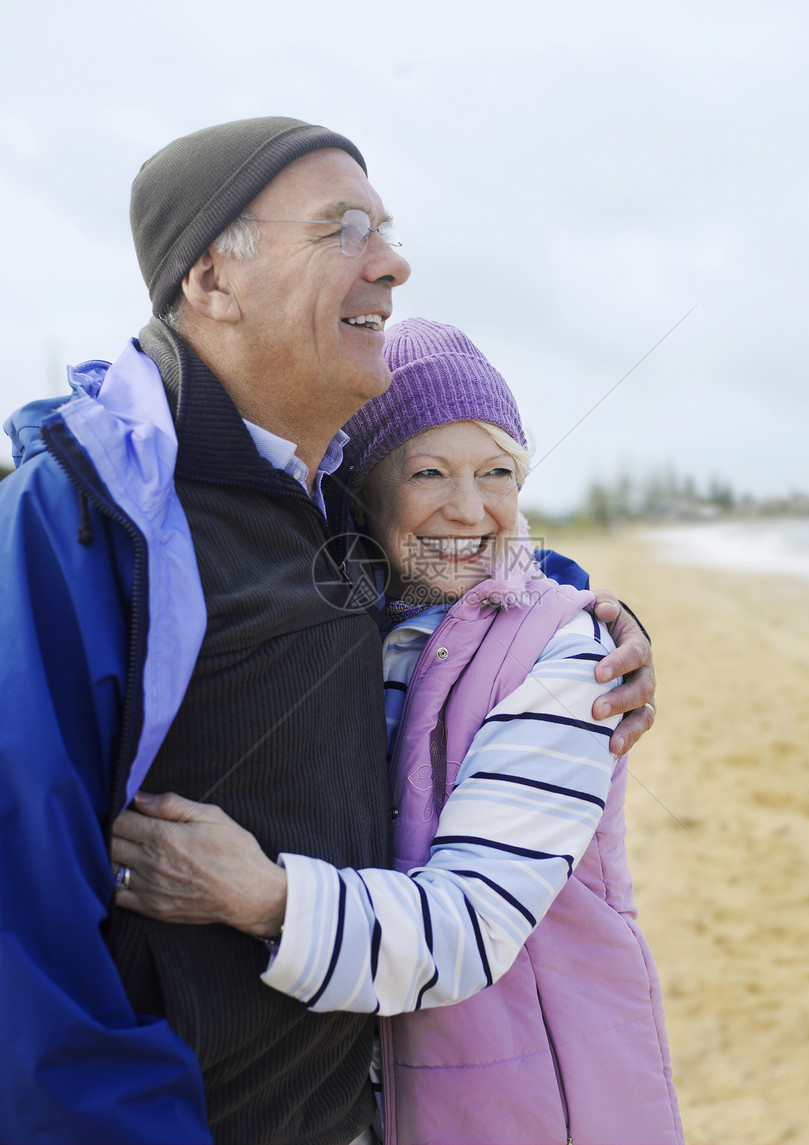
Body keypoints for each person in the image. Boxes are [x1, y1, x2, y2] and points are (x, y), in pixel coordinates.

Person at [0, 116, 655, 1145]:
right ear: (212, 276)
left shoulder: (319, 500)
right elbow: (25, 913)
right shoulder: (92, 515)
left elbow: (456, 571)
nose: (390, 263)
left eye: (385, 228)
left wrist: (583, 614)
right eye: (343, 228)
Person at [112, 318, 682, 1145]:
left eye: (498, 472)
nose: (470, 508)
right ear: (367, 490)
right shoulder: (347, 632)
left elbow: (474, 919)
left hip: (547, 1107)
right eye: (429, 471)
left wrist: (262, 895)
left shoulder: (572, 654)